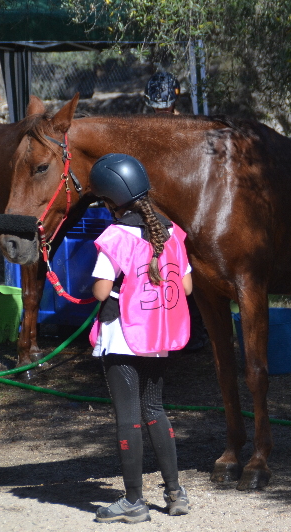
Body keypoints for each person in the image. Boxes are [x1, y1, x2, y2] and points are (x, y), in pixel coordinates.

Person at [88, 153, 192, 524]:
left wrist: (116, 281)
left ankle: (133, 501)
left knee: (128, 415)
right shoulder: (172, 232)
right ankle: (175, 493)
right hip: (157, 336)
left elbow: (101, 293)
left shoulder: (116, 235)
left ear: (110, 201)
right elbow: (187, 284)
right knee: (155, 410)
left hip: (122, 336)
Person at [143, 71, 209, 352]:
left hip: (186, 210)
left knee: (190, 268)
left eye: (165, 105)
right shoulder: (142, 130)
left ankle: (197, 330)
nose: (162, 111)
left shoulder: (188, 129)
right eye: (157, 106)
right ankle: (156, 326)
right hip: (157, 209)